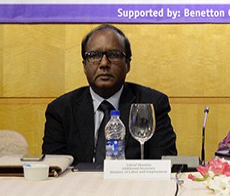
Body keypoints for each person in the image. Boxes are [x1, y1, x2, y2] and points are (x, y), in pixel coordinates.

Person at [42, 24, 177, 163]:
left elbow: (165, 163)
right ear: (84, 66)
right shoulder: (61, 110)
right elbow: (54, 166)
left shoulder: (152, 104)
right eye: (94, 56)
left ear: (128, 64)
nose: (104, 64)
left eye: (114, 55)